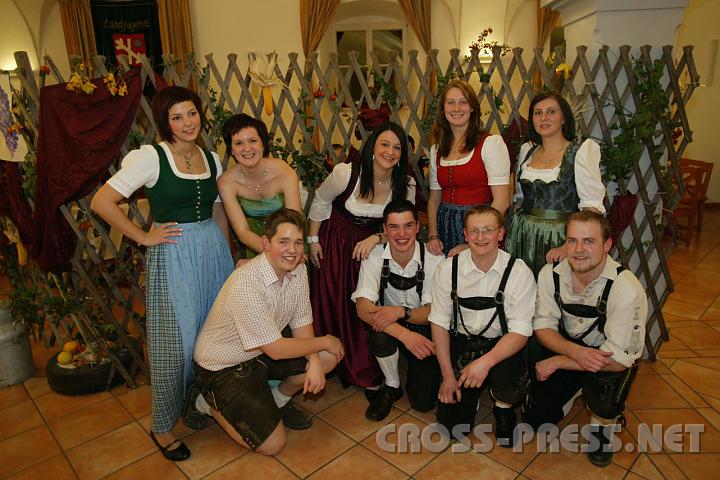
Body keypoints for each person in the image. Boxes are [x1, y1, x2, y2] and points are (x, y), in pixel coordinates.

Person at [90, 86, 233, 461]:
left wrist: (229, 257)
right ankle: (162, 426)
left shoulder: (212, 158)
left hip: (212, 253)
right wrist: (142, 236)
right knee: (177, 344)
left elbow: (218, 212)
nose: (187, 123)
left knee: (211, 333)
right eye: (177, 117)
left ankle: (197, 403)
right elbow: (101, 201)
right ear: (164, 122)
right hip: (172, 252)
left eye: (192, 113)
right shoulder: (150, 158)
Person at [192, 209, 344, 455]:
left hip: (258, 354)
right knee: (273, 446)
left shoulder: (299, 270)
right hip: (221, 367)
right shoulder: (247, 283)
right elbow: (277, 349)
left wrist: (315, 360)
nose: (292, 250)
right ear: (266, 243)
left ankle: (277, 400)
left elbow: (301, 322)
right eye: (283, 242)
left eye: (297, 243)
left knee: (328, 356)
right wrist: (324, 340)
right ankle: (209, 403)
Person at [522, 211, 646, 467]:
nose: (579, 250)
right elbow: (543, 327)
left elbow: (620, 360)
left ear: (607, 245)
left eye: (589, 241)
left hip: (606, 359)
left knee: (606, 397)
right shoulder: (550, 274)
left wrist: (558, 362)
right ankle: (572, 390)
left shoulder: (626, 288)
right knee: (536, 420)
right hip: (569, 348)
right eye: (572, 241)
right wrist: (574, 353)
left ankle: (603, 424)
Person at [308, 121, 415, 389]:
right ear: (371, 147)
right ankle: (330, 361)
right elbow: (321, 200)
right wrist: (312, 240)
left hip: (369, 250)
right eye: (385, 144)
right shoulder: (346, 174)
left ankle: (360, 367)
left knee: (361, 305)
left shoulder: (405, 185)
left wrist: (377, 237)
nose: (390, 151)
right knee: (333, 300)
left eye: (397, 147)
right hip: (335, 242)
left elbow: (403, 225)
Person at [430, 206, 535, 447]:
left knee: (509, 387)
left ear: (501, 234)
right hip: (463, 342)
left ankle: (503, 407)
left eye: (488, 230)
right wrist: (448, 376)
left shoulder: (519, 272)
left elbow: (520, 332)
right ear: (465, 235)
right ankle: (471, 395)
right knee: (452, 429)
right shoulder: (448, 269)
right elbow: (439, 323)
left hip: (502, 346)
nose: (480, 237)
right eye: (474, 231)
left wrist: (483, 364)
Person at [352, 200, 444, 420]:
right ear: (384, 230)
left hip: (424, 324)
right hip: (390, 325)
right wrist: (404, 335)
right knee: (379, 330)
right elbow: (363, 308)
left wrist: (401, 312)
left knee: (422, 404)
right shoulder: (375, 255)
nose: (401, 233)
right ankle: (392, 385)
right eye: (394, 227)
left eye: (408, 226)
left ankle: (423, 371)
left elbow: (434, 312)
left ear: (418, 227)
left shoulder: (434, 258)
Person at [506, 91, 605, 276]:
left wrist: (568, 247)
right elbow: (520, 199)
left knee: (555, 293)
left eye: (551, 112)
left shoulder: (580, 152)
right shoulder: (527, 151)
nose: (544, 117)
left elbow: (592, 210)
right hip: (523, 236)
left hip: (561, 237)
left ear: (563, 118)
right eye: (537, 113)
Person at [427, 79, 511, 257]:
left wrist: (474, 240)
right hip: (444, 231)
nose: (456, 108)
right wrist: (433, 235)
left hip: (479, 231)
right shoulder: (437, 150)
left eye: (463, 102)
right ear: (443, 109)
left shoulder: (490, 144)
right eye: (451, 103)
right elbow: (434, 199)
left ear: (472, 108)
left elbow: (502, 201)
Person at [218, 114, 302, 259]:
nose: (247, 148)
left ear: (263, 144)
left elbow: (295, 219)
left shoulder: (284, 171)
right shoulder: (226, 182)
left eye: (253, 141)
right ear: (231, 150)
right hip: (256, 244)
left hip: (292, 241)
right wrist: (271, 253)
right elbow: (242, 231)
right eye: (238, 143)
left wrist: (286, 250)